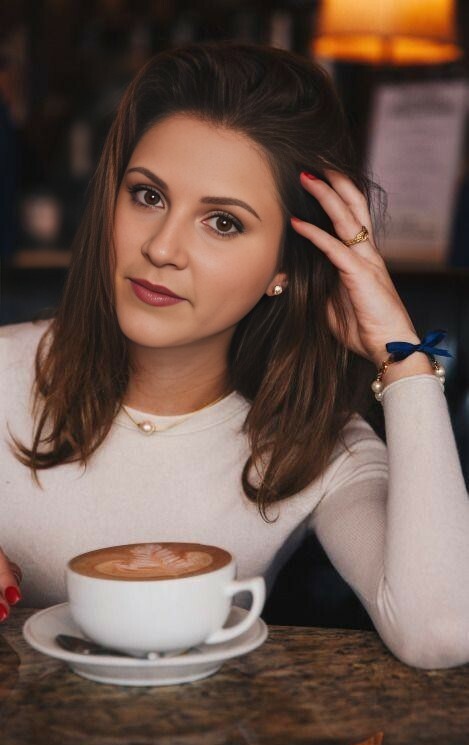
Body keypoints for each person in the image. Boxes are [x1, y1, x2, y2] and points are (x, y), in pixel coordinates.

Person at [1, 41, 468, 670]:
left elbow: (441, 631)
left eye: (223, 222)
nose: (162, 248)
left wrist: (404, 359)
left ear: (284, 268)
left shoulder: (316, 446)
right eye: (148, 196)